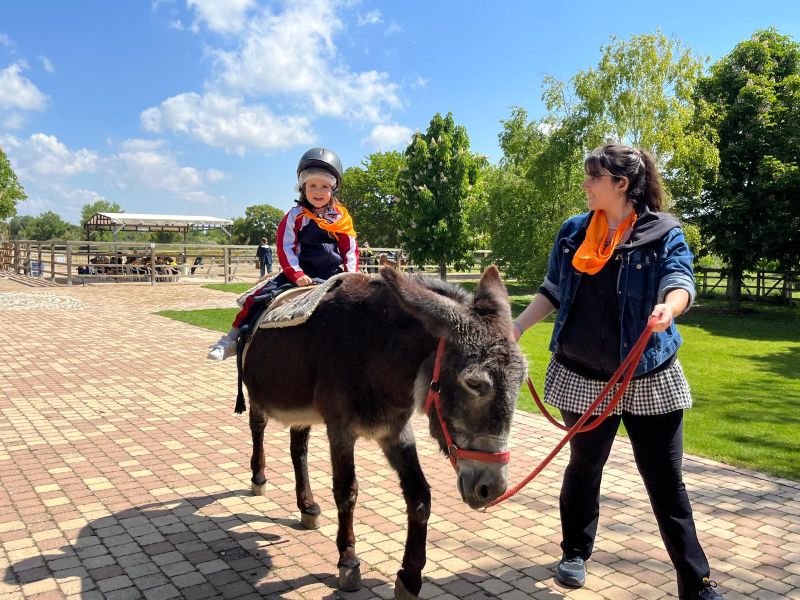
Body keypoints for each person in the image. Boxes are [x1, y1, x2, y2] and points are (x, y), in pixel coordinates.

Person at [513, 144, 725, 600]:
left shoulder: (663, 232)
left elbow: (680, 279)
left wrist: (670, 309)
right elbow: (552, 290)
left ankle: (696, 582)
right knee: (585, 466)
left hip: (649, 375)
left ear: (621, 184)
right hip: (584, 375)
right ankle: (574, 552)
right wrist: (516, 327)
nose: (585, 185)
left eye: (594, 177)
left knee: (666, 481)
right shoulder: (573, 232)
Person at [207, 147, 357, 360]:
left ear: (333, 189)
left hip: (332, 273)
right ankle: (231, 339)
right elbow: (286, 247)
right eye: (312, 185)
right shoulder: (295, 216)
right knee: (258, 298)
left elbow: (349, 249)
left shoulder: (340, 219)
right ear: (303, 187)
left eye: (324, 186)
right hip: (301, 272)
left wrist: (350, 276)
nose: (318, 191)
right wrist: (296, 274)